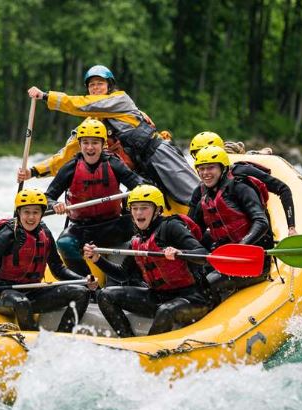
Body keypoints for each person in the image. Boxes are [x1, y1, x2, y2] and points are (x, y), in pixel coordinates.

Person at [19, 64, 198, 205]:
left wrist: (45, 96)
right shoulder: (91, 126)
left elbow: (81, 104)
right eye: (92, 85)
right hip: (137, 171)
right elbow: (67, 154)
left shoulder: (120, 99)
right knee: (147, 206)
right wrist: (34, 171)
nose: (95, 88)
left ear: (109, 86)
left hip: (158, 154)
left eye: (100, 84)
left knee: (194, 194)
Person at [83, 185, 211, 337]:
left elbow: (204, 255)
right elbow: (123, 275)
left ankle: (149, 353)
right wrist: (98, 260)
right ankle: (128, 342)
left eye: (144, 208)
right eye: (134, 208)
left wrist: (180, 252)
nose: (138, 212)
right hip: (158, 296)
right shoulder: (137, 240)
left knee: (166, 311)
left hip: (192, 297)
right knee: (105, 295)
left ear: (157, 210)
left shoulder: (171, 227)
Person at [0, 188, 96, 333]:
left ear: (42, 214)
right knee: (21, 302)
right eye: (26, 212)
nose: (31, 217)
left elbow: (58, 269)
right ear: (19, 212)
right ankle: (33, 342)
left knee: (81, 293)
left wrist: (83, 279)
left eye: (36, 212)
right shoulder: (7, 235)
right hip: (3, 293)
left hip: (33, 292)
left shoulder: (45, 233)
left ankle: (63, 337)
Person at [43, 117, 147, 277]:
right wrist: (54, 204)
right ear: (80, 144)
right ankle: (87, 284)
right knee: (64, 243)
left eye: (95, 142)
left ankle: (132, 279)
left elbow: (140, 186)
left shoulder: (114, 164)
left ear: (103, 144)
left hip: (114, 226)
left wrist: (141, 192)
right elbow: (47, 198)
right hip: (82, 229)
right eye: (85, 142)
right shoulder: (70, 168)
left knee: (143, 235)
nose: (90, 147)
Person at [187, 145, 273, 302]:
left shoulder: (240, 188)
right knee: (193, 278)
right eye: (201, 169)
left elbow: (261, 222)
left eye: (211, 168)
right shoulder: (204, 197)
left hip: (252, 261)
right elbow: (192, 233)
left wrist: (240, 246)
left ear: (222, 168)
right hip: (224, 259)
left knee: (205, 284)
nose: (205, 173)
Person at [189, 131, 296, 236]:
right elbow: (190, 224)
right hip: (226, 240)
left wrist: (291, 228)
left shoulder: (242, 172)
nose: (203, 157)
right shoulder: (202, 189)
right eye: (198, 154)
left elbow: (283, 189)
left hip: (256, 236)